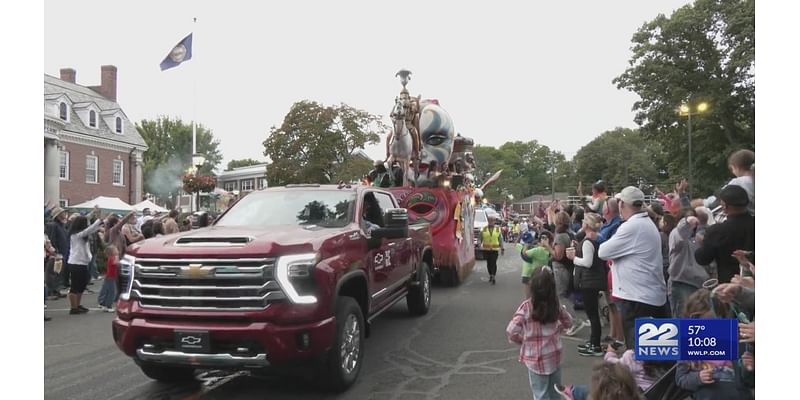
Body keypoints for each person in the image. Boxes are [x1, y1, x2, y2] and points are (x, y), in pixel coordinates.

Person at [598, 186, 669, 348]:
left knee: (639, 354)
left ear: (622, 204)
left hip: (638, 300)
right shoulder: (646, 223)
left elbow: (603, 251)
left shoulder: (632, 226)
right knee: (654, 352)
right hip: (647, 296)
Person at [675, 289, 754, 399]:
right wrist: (698, 378)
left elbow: (750, 381)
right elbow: (681, 379)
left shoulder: (738, 339)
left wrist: (748, 369)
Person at [506, 268, 573, 400]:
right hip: (554, 356)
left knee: (540, 394)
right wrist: (559, 329)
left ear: (532, 287)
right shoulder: (555, 305)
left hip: (535, 359)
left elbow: (511, 330)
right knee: (555, 393)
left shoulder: (526, 307)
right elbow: (569, 322)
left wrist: (522, 340)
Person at [694, 185, 754, 284]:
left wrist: (702, 242)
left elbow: (703, 259)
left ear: (725, 206)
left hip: (728, 288)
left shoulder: (717, 231)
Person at [567, 213, 608, 356]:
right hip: (592, 280)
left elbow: (587, 262)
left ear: (586, 225)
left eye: (584, 221)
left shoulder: (588, 241)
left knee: (592, 314)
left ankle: (595, 345)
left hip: (589, 281)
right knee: (592, 313)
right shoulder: (593, 240)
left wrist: (574, 258)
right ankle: (593, 341)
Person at [66, 208, 104, 315]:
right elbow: (89, 229)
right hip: (76, 263)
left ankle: (78, 305)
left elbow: (88, 226)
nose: (87, 225)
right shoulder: (76, 235)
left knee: (81, 285)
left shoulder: (79, 234)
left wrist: (93, 214)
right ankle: (73, 308)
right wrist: (99, 220)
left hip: (82, 263)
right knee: (75, 286)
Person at [703, 149, 754, 216]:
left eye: (732, 169)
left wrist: (704, 202)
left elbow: (720, 198)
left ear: (736, 167)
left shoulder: (737, 183)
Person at [520, 230, 554, 297]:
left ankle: (531, 306)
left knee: (532, 294)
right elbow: (551, 258)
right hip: (546, 273)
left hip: (535, 274)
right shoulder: (549, 251)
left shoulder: (536, 250)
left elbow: (525, 253)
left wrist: (526, 245)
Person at [45, 207, 71, 292]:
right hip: (57, 253)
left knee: (59, 272)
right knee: (54, 272)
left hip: (63, 252)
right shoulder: (53, 225)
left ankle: (56, 289)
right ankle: (52, 291)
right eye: (63, 213)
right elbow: (52, 238)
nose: (65, 214)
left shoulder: (62, 226)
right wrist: (55, 251)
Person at [478, 215, 504, 284]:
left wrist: (502, 248)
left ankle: (493, 276)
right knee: (489, 263)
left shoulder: (498, 229)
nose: (491, 222)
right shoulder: (483, 229)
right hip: (486, 249)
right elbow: (479, 239)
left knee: (493, 262)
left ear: (494, 222)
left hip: (495, 249)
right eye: (490, 221)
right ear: (488, 221)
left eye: (492, 221)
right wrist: (479, 245)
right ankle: (490, 274)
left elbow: (500, 239)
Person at [96, 245, 118, 312]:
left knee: (108, 290)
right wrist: (118, 257)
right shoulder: (112, 258)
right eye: (116, 250)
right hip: (110, 277)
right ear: (112, 252)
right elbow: (115, 263)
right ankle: (108, 306)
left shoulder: (112, 258)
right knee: (112, 292)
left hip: (111, 277)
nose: (117, 250)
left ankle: (103, 304)